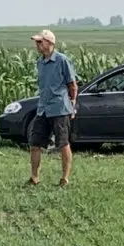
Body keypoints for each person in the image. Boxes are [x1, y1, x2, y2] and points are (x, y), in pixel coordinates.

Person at [23, 29, 78, 187]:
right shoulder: (39, 62)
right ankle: (34, 177)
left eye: (40, 42)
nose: (37, 45)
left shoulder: (62, 60)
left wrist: (72, 103)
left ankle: (64, 179)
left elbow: (72, 85)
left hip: (60, 108)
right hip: (43, 108)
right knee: (35, 143)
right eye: (36, 42)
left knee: (63, 143)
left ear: (49, 43)